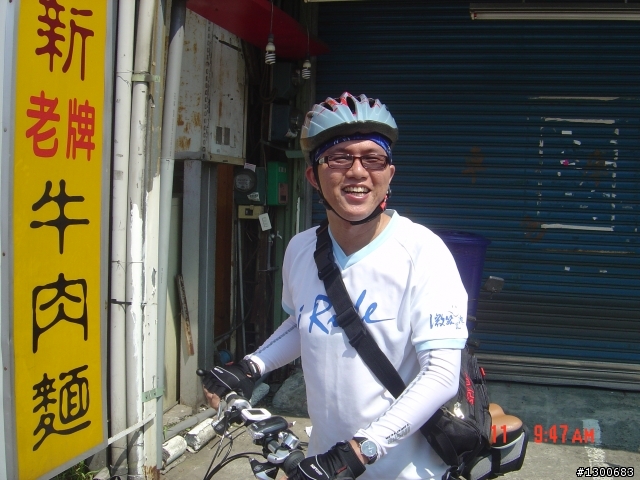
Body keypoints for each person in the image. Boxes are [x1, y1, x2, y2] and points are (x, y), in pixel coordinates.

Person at [201, 92, 469, 480]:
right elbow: (305, 321)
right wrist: (251, 366)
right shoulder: (301, 249)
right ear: (313, 176)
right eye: (339, 158)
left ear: (389, 175)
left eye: (373, 158)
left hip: (402, 470)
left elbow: (441, 374)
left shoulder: (422, 252)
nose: (358, 171)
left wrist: (363, 449)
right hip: (323, 465)